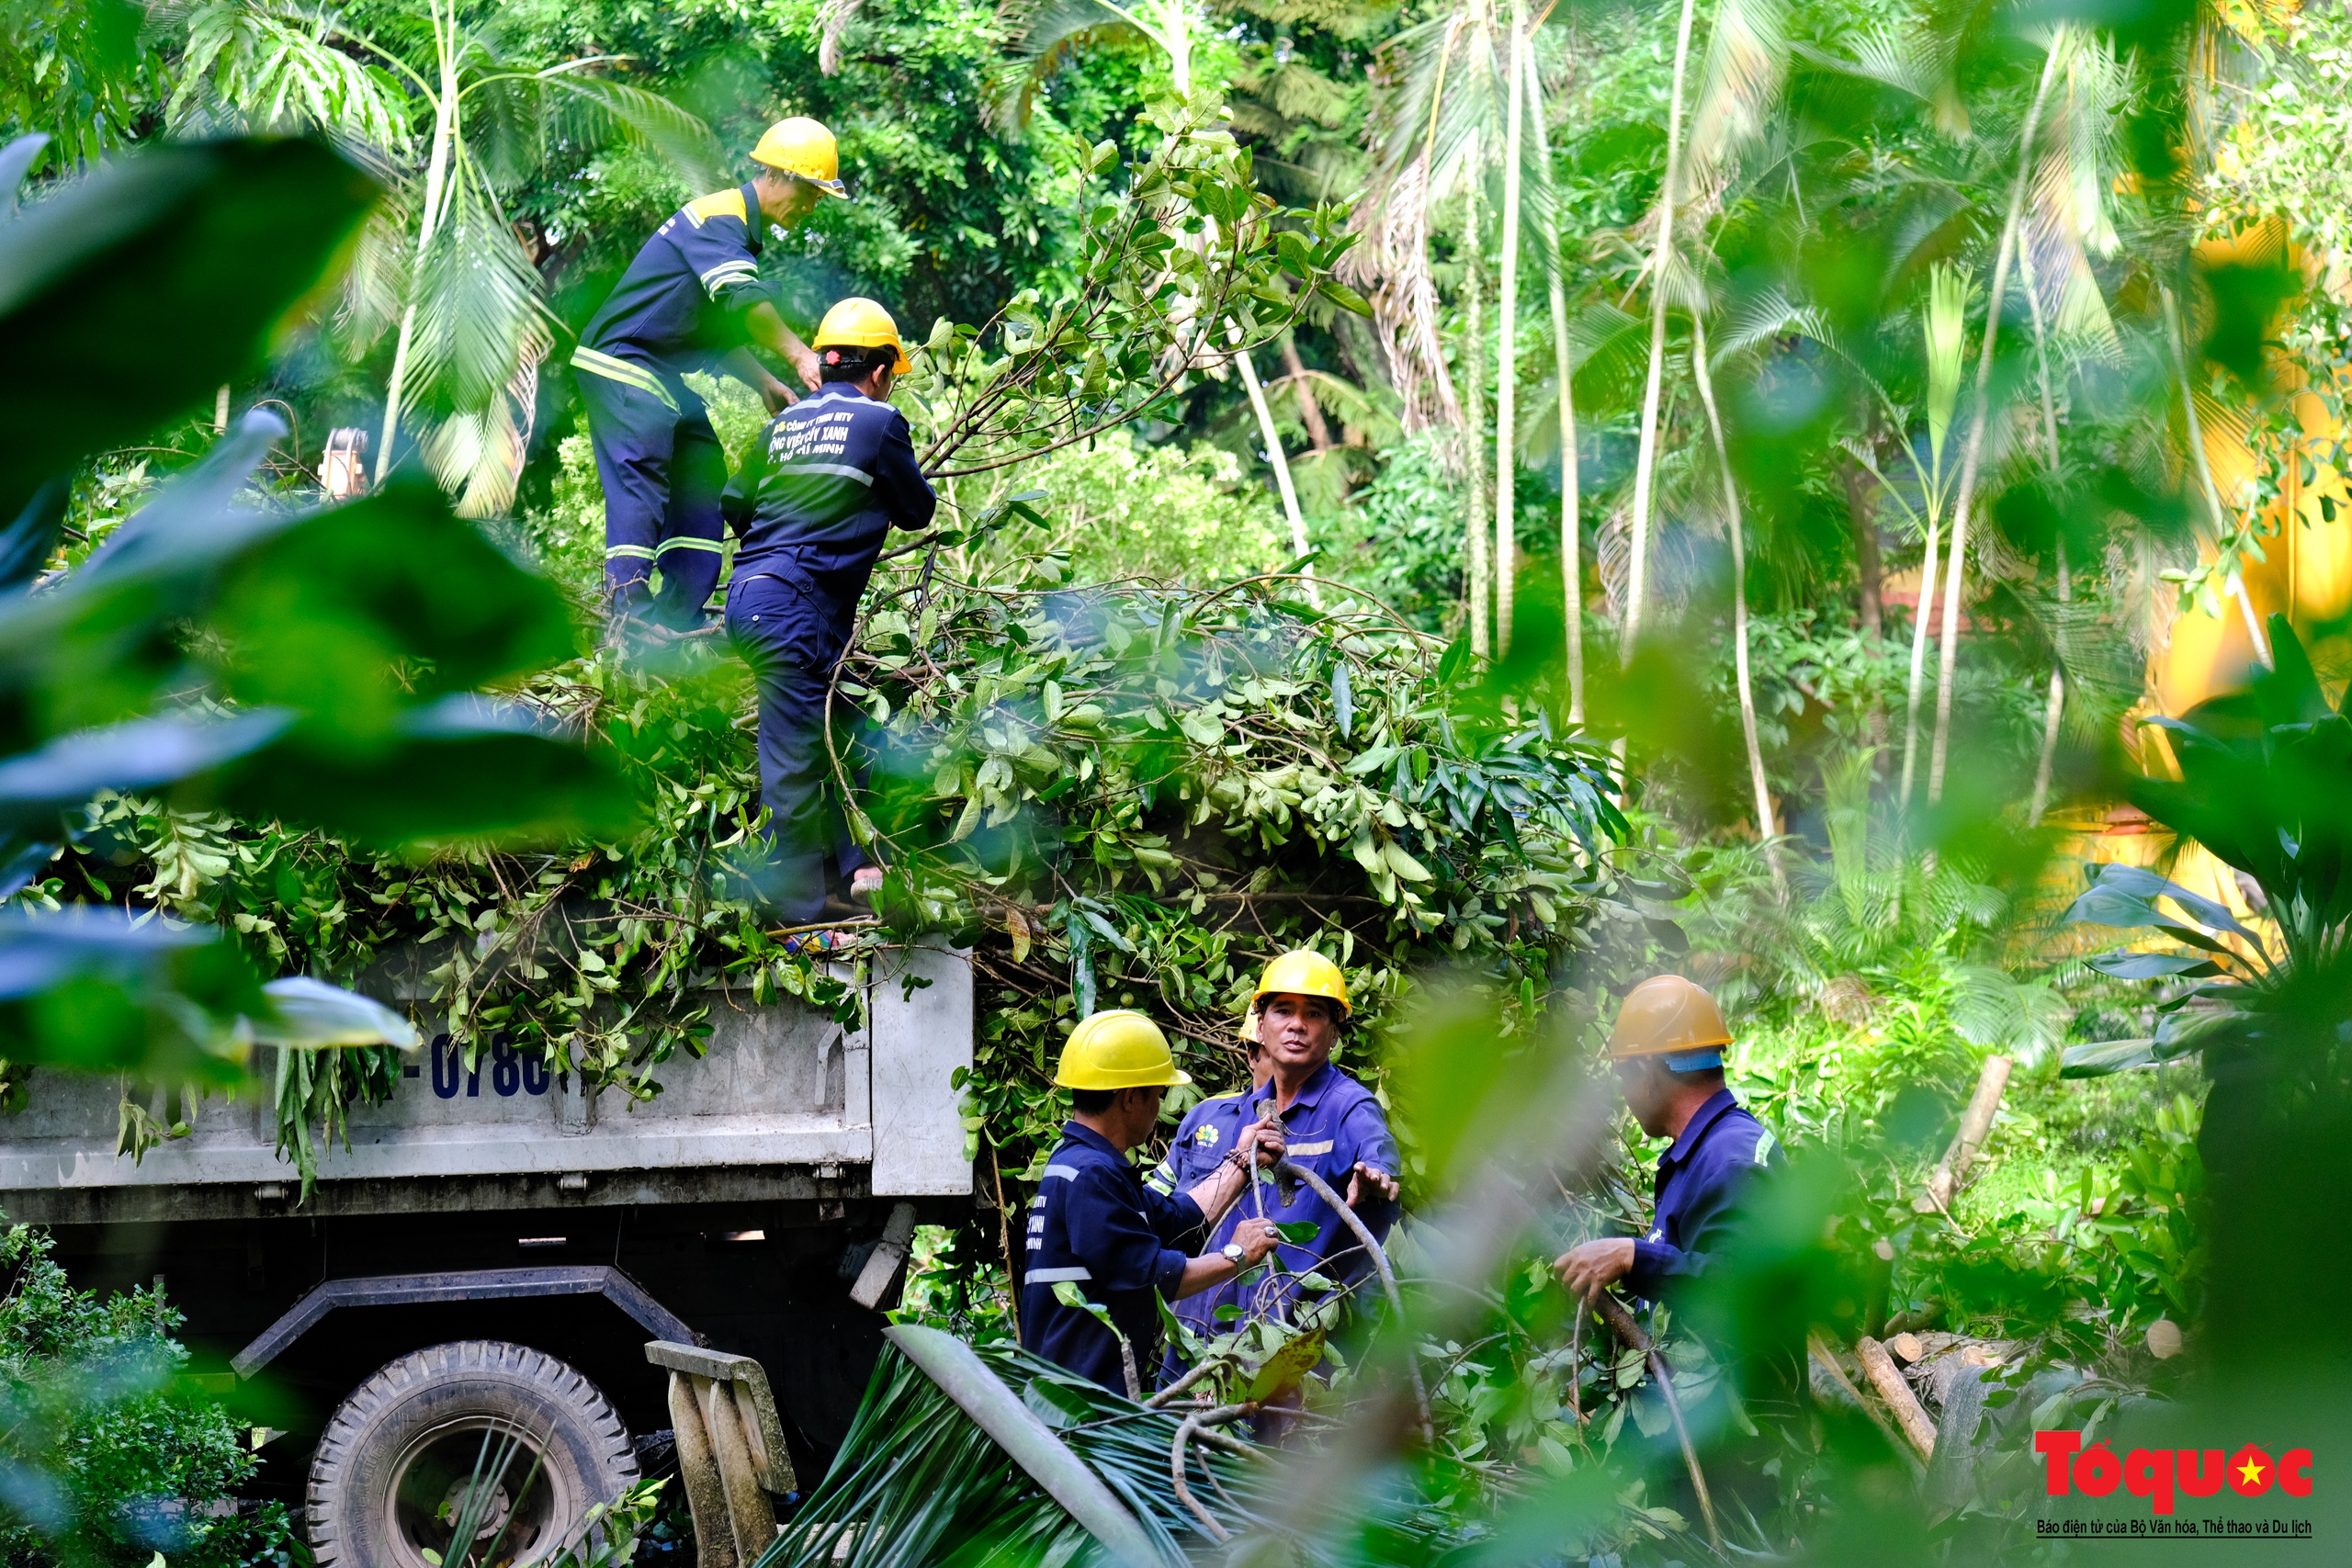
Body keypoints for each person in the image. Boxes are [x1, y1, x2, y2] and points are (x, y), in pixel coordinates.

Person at [572, 117, 845, 629]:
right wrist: (799, 357)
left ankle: (677, 621)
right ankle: (628, 620)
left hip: (660, 372)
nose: (811, 208)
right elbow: (743, 301)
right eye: (810, 194)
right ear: (779, 177)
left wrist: (763, 381)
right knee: (644, 479)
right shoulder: (719, 218)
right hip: (622, 363)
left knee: (700, 471)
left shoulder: (736, 235)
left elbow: (715, 330)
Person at [719, 298, 933, 925]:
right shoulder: (880, 421)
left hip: (754, 598)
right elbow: (917, 510)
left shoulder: (781, 425)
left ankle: (860, 866)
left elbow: (735, 503)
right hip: (794, 610)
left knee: (847, 723)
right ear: (881, 370)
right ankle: (796, 916)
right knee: (790, 756)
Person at [1022, 1010, 1285, 1393]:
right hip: (1082, 1410)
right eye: (1158, 1095)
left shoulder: (1079, 1166)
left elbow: (1179, 1218)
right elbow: (1156, 1276)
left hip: (1073, 1399)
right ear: (1131, 1099)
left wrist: (1241, 1163)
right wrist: (1238, 1255)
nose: (1159, 1107)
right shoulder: (1092, 1176)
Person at [1176, 951, 1400, 1356]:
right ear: (1260, 1027)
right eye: (1283, 1011)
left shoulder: (1349, 1107)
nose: (1297, 1024)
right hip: (1210, 1340)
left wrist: (1376, 1177)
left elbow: (1376, 1149)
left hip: (1293, 1349)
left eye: (1314, 1013)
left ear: (1334, 1033)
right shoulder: (1242, 1113)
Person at [1553, 975, 1781, 1305]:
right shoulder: (1705, 1152)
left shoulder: (1730, 1160)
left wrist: (1631, 1256)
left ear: (1644, 1073)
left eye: (1622, 1076)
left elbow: (1742, 1291)